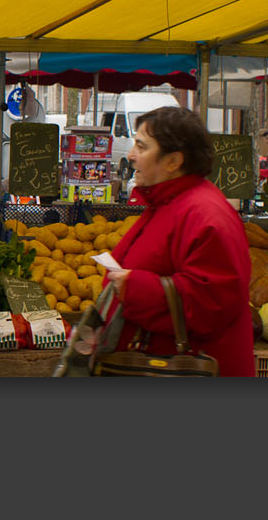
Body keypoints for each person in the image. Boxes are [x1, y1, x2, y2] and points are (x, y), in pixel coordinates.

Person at [101, 106, 255, 376]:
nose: (131, 155)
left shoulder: (206, 215)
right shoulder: (168, 202)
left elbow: (213, 302)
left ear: (173, 161)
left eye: (141, 146)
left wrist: (134, 288)